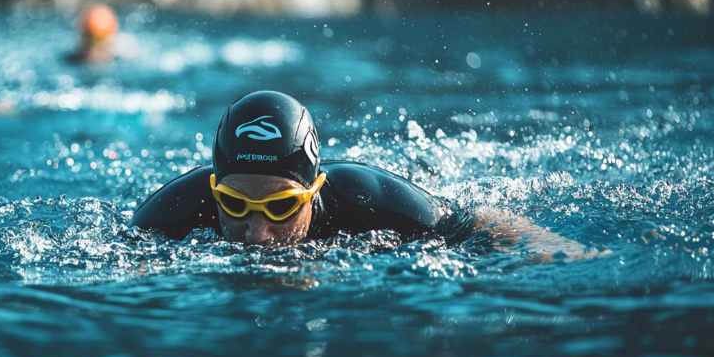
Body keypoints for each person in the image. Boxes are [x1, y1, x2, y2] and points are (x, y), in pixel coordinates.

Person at [130, 91, 607, 262]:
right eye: (234, 205)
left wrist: (575, 257)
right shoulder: (170, 213)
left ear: (313, 192)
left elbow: (475, 222)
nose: (256, 234)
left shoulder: (369, 202)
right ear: (215, 190)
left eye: (280, 208)